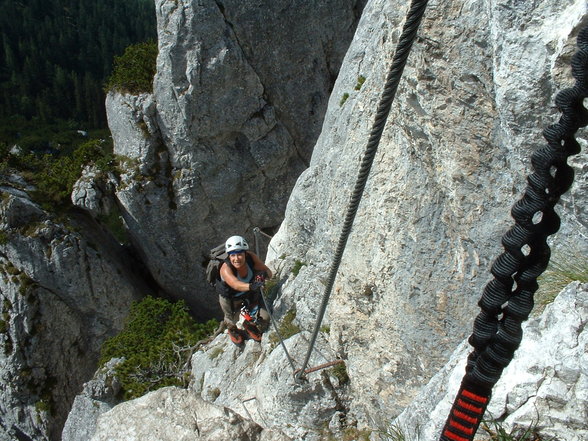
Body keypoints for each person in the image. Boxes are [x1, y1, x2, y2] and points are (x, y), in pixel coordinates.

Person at [216, 235, 272, 344]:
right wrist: (252, 286)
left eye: (240, 254)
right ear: (229, 256)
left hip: (248, 294)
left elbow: (268, 273)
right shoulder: (225, 268)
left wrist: (263, 275)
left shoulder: (251, 258)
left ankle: (249, 324)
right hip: (229, 298)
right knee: (231, 319)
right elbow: (235, 284)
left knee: (264, 317)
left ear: (245, 254)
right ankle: (232, 330)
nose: (236, 259)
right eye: (233, 255)